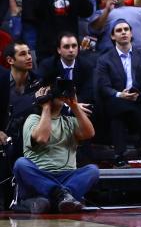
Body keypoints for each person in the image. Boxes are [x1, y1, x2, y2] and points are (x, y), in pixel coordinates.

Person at [13, 80, 98, 213]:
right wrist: (45, 107)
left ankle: (54, 199)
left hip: (67, 177)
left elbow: (89, 133)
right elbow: (42, 138)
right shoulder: (33, 119)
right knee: (21, 164)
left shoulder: (69, 121)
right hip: (41, 175)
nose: (58, 94)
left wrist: (74, 105)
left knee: (92, 170)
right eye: (52, 91)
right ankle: (61, 197)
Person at [95, 20, 141, 166]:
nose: (124, 32)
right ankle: (119, 155)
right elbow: (104, 87)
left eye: (126, 29)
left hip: (139, 101)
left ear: (131, 33)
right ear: (113, 36)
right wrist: (121, 94)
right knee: (117, 111)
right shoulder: (104, 59)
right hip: (118, 101)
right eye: (119, 30)